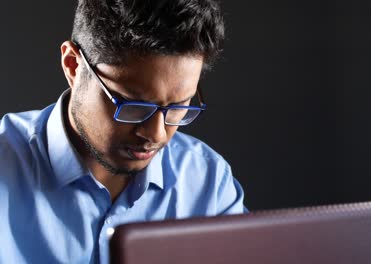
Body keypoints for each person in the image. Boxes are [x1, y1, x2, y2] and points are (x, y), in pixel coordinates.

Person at [0, 0, 246, 263]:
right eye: (133, 106)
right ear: (73, 65)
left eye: (179, 106)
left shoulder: (208, 183)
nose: (157, 135)